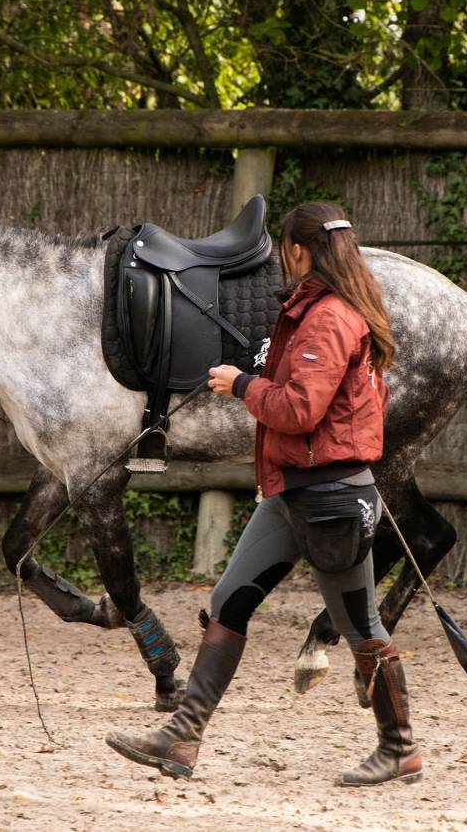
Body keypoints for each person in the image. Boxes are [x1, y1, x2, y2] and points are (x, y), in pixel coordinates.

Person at [106, 201, 422, 787]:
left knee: (361, 628)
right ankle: (182, 736)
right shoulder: (322, 311)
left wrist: (241, 384)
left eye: (284, 250)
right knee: (229, 600)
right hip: (294, 493)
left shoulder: (329, 318)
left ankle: (399, 747)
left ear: (297, 250)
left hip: (328, 501)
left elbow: (300, 410)